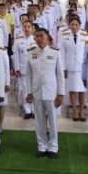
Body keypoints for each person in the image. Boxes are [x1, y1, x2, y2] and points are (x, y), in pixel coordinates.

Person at [25, 28, 64, 159]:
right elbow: (28, 75)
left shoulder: (55, 52)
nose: (39, 38)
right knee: (39, 121)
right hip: (36, 92)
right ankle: (42, 146)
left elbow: (60, 75)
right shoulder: (31, 53)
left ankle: (53, 147)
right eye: (36, 36)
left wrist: (61, 94)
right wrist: (29, 92)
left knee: (53, 121)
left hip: (51, 93)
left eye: (41, 36)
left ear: (48, 38)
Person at [60, 17, 88, 122]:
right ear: (69, 25)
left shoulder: (84, 35)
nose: (74, 26)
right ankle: (75, 110)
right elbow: (62, 53)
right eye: (72, 24)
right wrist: (63, 68)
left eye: (76, 24)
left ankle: (82, 110)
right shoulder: (64, 35)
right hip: (70, 66)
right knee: (72, 89)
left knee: (82, 90)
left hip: (82, 66)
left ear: (79, 25)